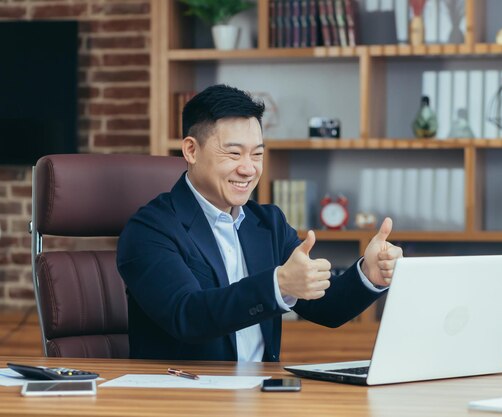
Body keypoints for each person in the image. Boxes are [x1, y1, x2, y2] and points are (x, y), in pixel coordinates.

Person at [117, 84, 403, 361]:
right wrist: (277, 284)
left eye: (257, 154)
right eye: (233, 153)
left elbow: (327, 308)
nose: (248, 168)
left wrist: (369, 273)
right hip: (186, 396)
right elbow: (187, 315)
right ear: (191, 150)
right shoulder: (149, 229)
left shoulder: (268, 223)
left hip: (262, 394)